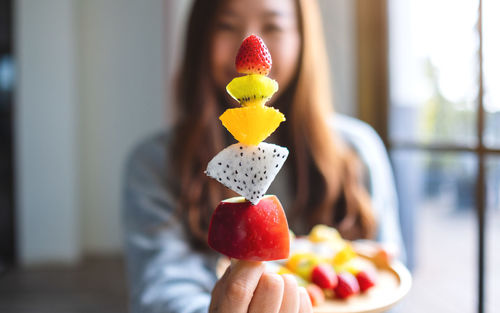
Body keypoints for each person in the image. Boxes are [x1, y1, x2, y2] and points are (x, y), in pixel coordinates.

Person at [122, 0, 404, 312]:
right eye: (226, 25)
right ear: (199, 35)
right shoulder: (155, 163)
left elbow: (391, 286)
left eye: (273, 26)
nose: (248, 45)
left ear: (302, 38)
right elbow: (161, 297)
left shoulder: (358, 150)